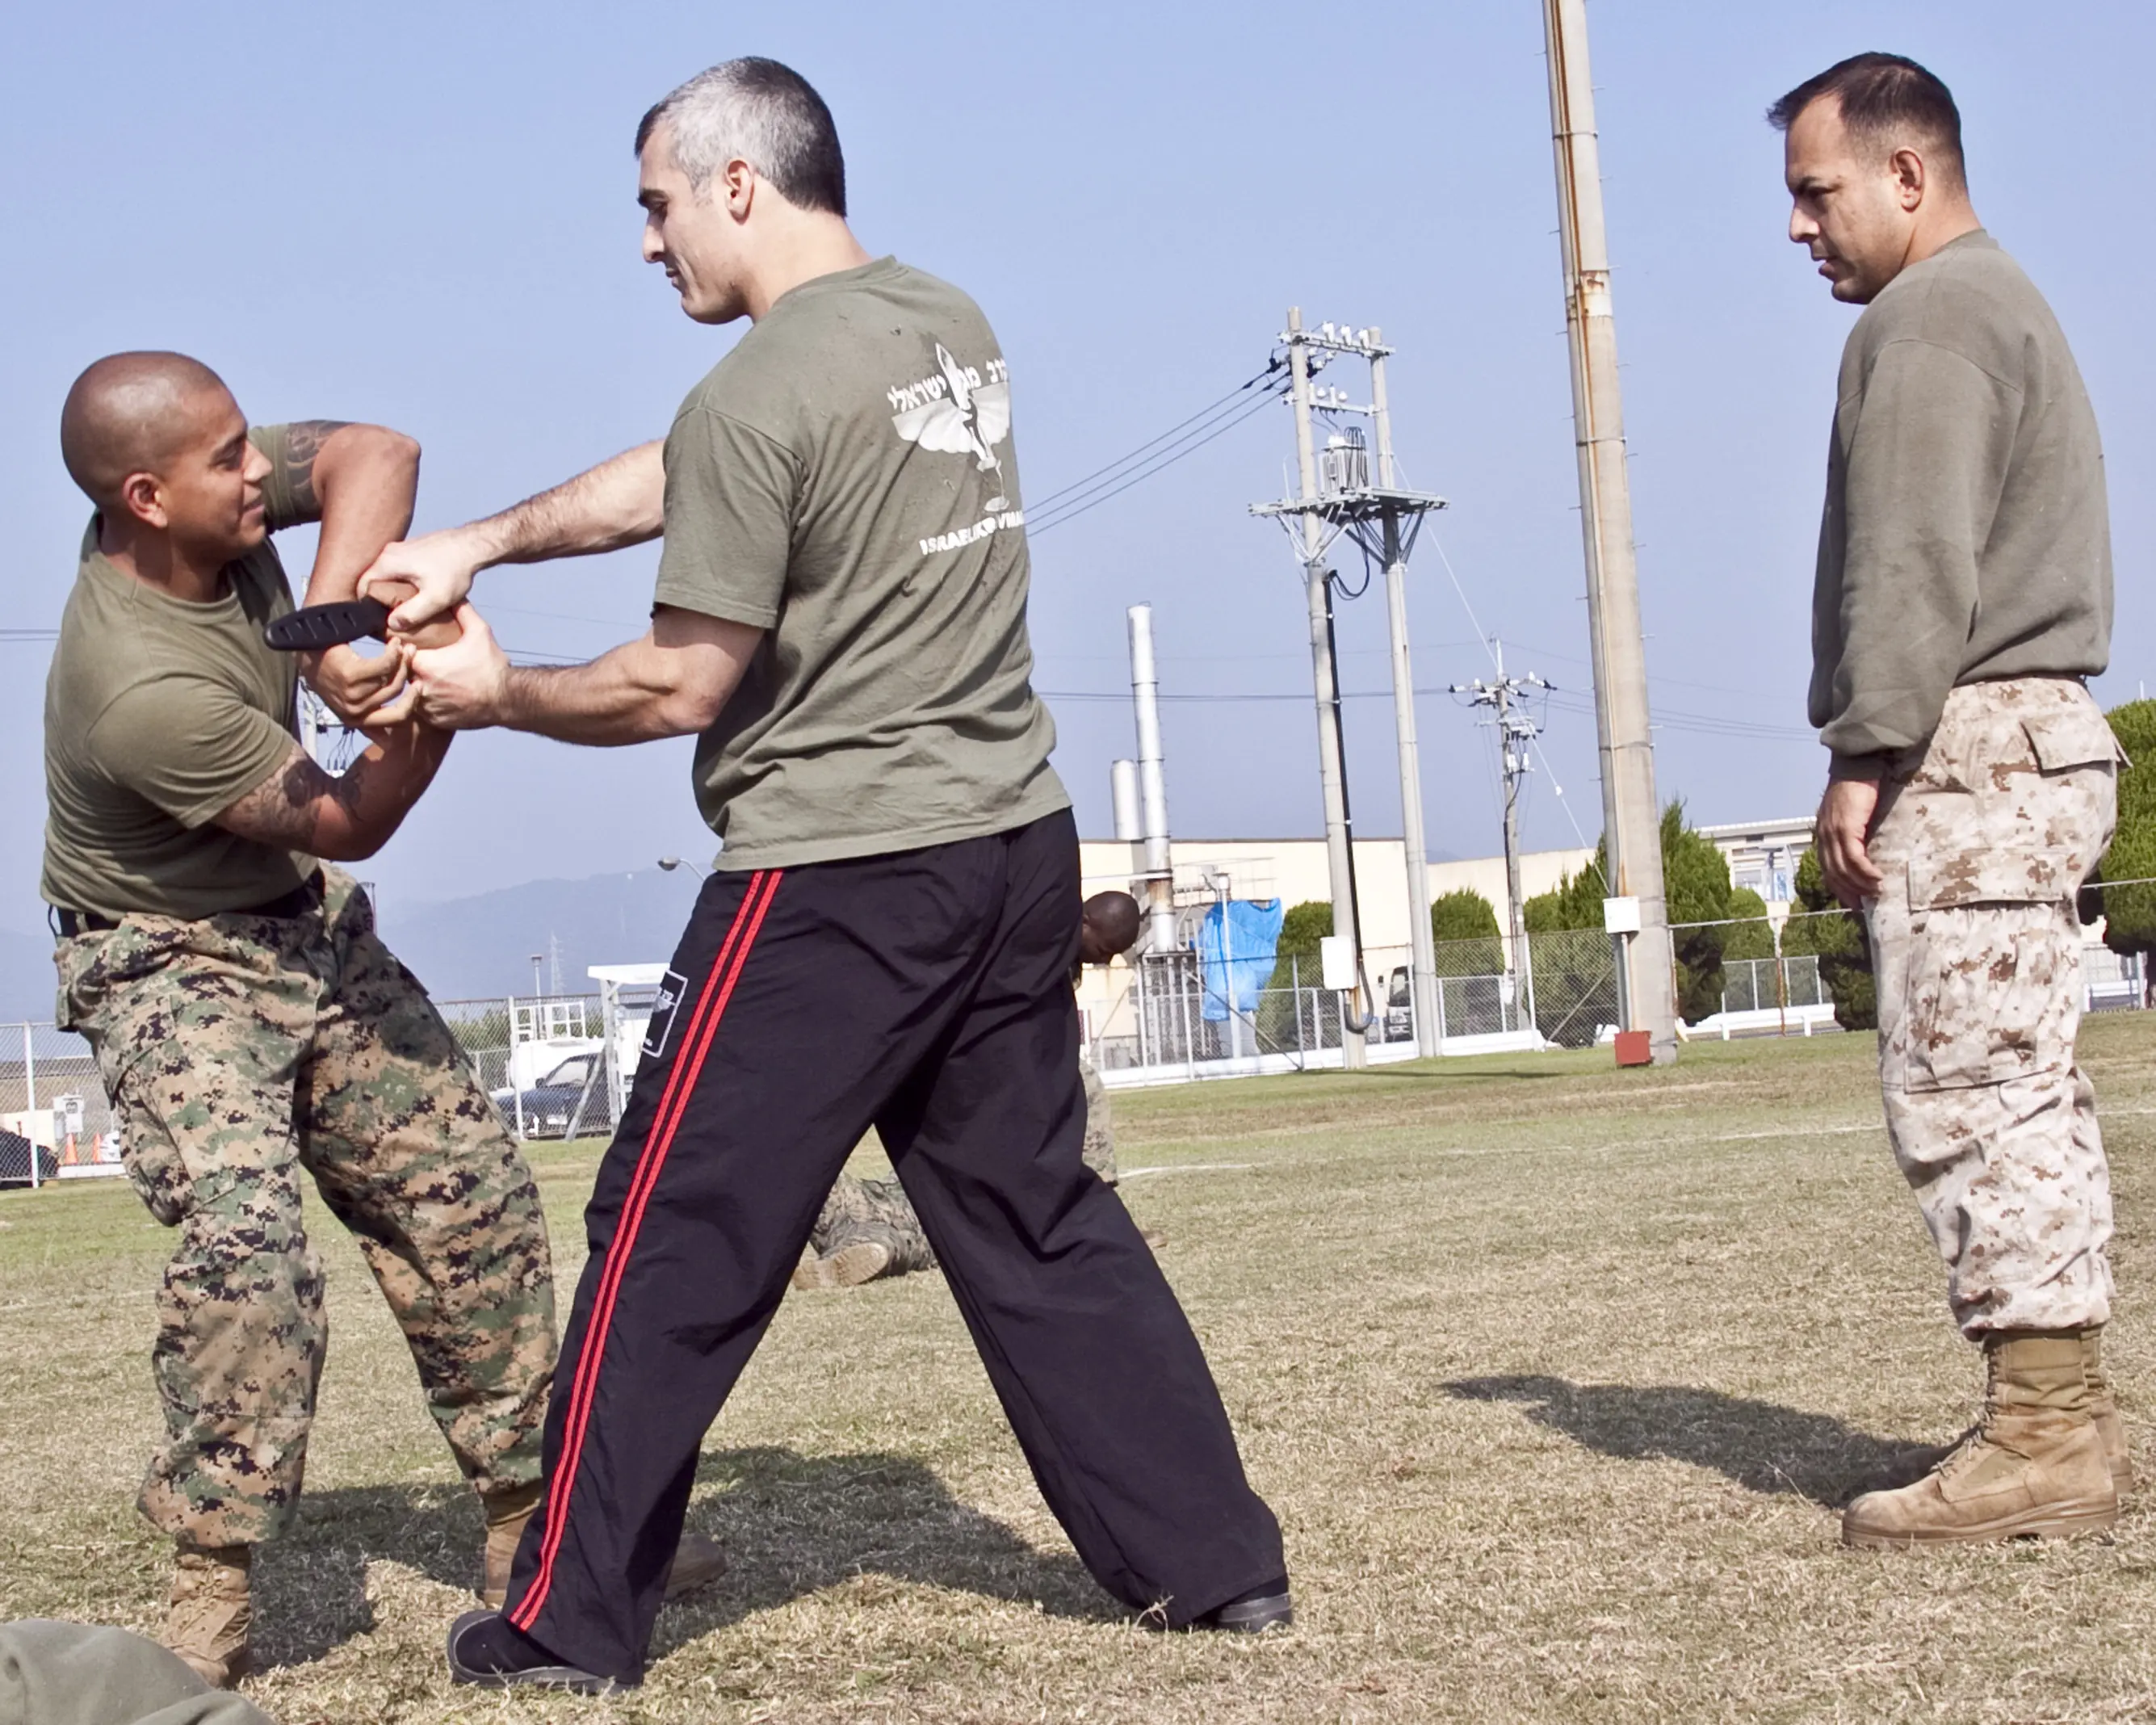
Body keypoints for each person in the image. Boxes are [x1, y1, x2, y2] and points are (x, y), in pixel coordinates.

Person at [364, 57, 1289, 1693]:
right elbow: (691, 470)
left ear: (735, 183)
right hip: (1014, 843)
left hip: (842, 875)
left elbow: (678, 685)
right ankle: (1217, 1571)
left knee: (669, 1226)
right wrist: (481, 544)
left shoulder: (758, 395)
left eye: (655, 205)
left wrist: (491, 693)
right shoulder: (941, 323)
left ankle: (565, 1623)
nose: (646, 243)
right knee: (1035, 1211)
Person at [40, 355, 718, 1689]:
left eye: (250, 449)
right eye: (231, 463)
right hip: (168, 959)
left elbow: (375, 449)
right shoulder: (139, 692)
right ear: (142, 495)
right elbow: (357, 813)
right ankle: (212, 1586)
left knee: (466, 1189)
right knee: (246, 1241)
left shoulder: (207, 511)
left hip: (298, 919)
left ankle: (534, 1525)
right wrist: (436, 696)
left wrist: (346, 624)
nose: (259, 475)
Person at [1773, 54, 2126, 1547]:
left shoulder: (1930, 320)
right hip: (2027, 738)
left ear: (1907, 174)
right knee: (2020, 1083)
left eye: (1817, 191)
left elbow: (1909, 564)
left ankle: (2046, 1439)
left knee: (1976, 1092)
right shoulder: (1998, 301)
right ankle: (2059, 1417)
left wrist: (1867, 747)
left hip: (1969, 749)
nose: (1800, 227)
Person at [794, 889, 1142, 1291]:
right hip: (964, 1083)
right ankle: (872, 1241)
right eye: (1106, 946)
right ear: (1084, 922)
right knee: (937, 1213)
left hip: (964, 1128)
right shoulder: (1034, 943)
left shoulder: (1059, 952)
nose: (1107, 959)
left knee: (921, 1213)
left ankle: (871, 1245)